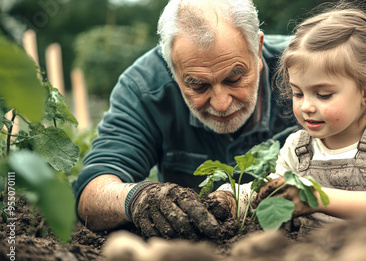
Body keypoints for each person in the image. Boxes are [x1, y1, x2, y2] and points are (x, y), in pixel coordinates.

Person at [74, 0, 299, 239]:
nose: (221, 104)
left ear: (258, 49)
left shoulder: (308, 69)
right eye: (198, 85)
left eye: (234, 79)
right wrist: (139, 197)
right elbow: (92, 190)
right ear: (171, 67)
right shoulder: (144, 88)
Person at [253, 2, 366, 222]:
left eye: (323, 95)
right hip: (308, 253)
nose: (306, 106)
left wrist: (315, 197)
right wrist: (232, 196)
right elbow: (272, 194)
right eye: (298, 93)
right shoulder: (297, 147)